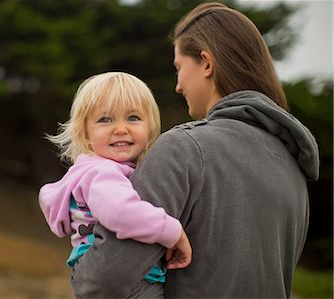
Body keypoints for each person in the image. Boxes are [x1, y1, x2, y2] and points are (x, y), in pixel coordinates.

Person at [71, 3, 319, 299]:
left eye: (179, 68)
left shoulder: (184, 149)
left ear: (205, 62)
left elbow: (101, 283)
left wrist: (81, 260)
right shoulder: (293, 167)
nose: (177, 85)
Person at [38, 72, 192, 298]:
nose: (121, 129)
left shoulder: (97, 170)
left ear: (150, 127)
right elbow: (120, 212)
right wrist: (173, 232)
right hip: (128, 283)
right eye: (105, 120)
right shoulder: (102, 172)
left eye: (132, 118)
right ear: (85, 133)